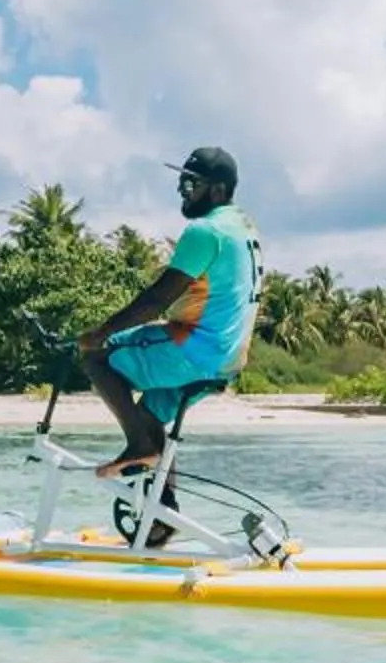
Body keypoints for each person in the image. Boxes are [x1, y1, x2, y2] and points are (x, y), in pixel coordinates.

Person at [82, 147, 262, 479]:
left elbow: (155, 301)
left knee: (98, 357)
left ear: (218, 190)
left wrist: (98, 334)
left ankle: (139, 447)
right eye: (182, 183)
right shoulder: (244, 226)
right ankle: (161, 523)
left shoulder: (206, 231)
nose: (183, 191)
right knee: (148, 417)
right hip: (230, 360)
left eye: (192, 184)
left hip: (195, 351)